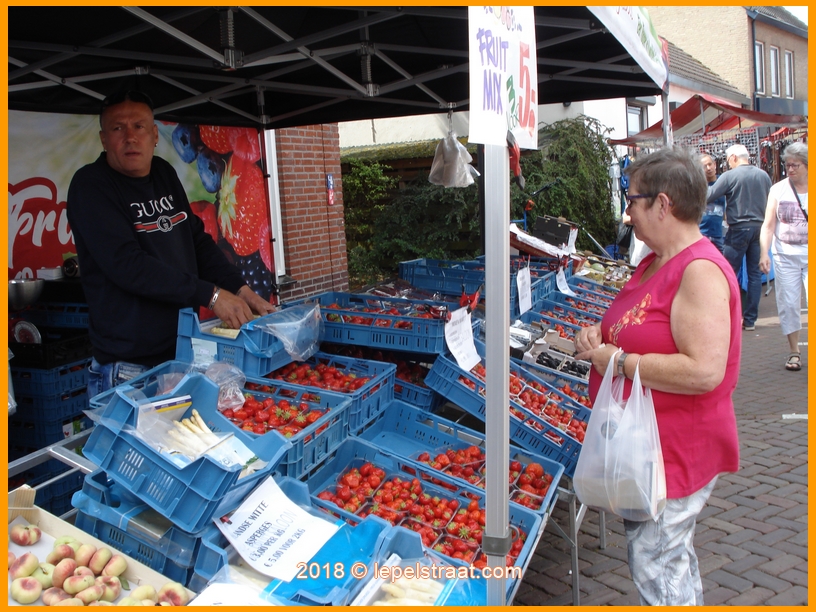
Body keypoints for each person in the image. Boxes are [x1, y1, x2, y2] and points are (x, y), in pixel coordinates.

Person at [574, 146, 741, 606]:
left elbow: (704, 370)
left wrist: (619, 362)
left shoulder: (698, 272)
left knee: (658, 567)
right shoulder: (655, 261)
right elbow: (633, 328)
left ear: (662, 204)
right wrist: (600, 338)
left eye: (631, 200)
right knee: (670, 558)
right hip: (650, 447)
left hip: (674, 452)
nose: (627, 214)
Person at [67, 90, 275, 396]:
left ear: (154, 135)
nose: (130, 137)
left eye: (139, 127)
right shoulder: (90, 186)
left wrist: (242, 289)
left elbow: (197, 242)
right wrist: (213, 296)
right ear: (103, 139)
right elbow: (129, 266)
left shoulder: (163, 173)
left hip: (178, 355)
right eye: (117, 128)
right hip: (128, 371)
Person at [706, 143, 771, 331]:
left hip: (738, 229)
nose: (728, 164)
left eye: (727, 160)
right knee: (754, 274)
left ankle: (725, 315)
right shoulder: (763, 175)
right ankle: (750, 320)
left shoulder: (729, 176)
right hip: (759, 229)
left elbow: (708, 195)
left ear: (733, 157)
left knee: (727, 273)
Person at [759, 142, 808, 371]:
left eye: (795, 165)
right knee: (788, 304)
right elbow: (768, 225)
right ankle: (794, 352)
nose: (790, 169)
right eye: (787, 165)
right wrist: (763, 253)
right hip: (785, 255)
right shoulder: (778, 189)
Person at [699, 153, 725, 252]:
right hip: (702, 233)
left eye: (710, 164)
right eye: (704, 166)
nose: (708, 168)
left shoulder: (724, 183)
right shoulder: (698, 186)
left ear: (715, 164)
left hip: (719, 234)